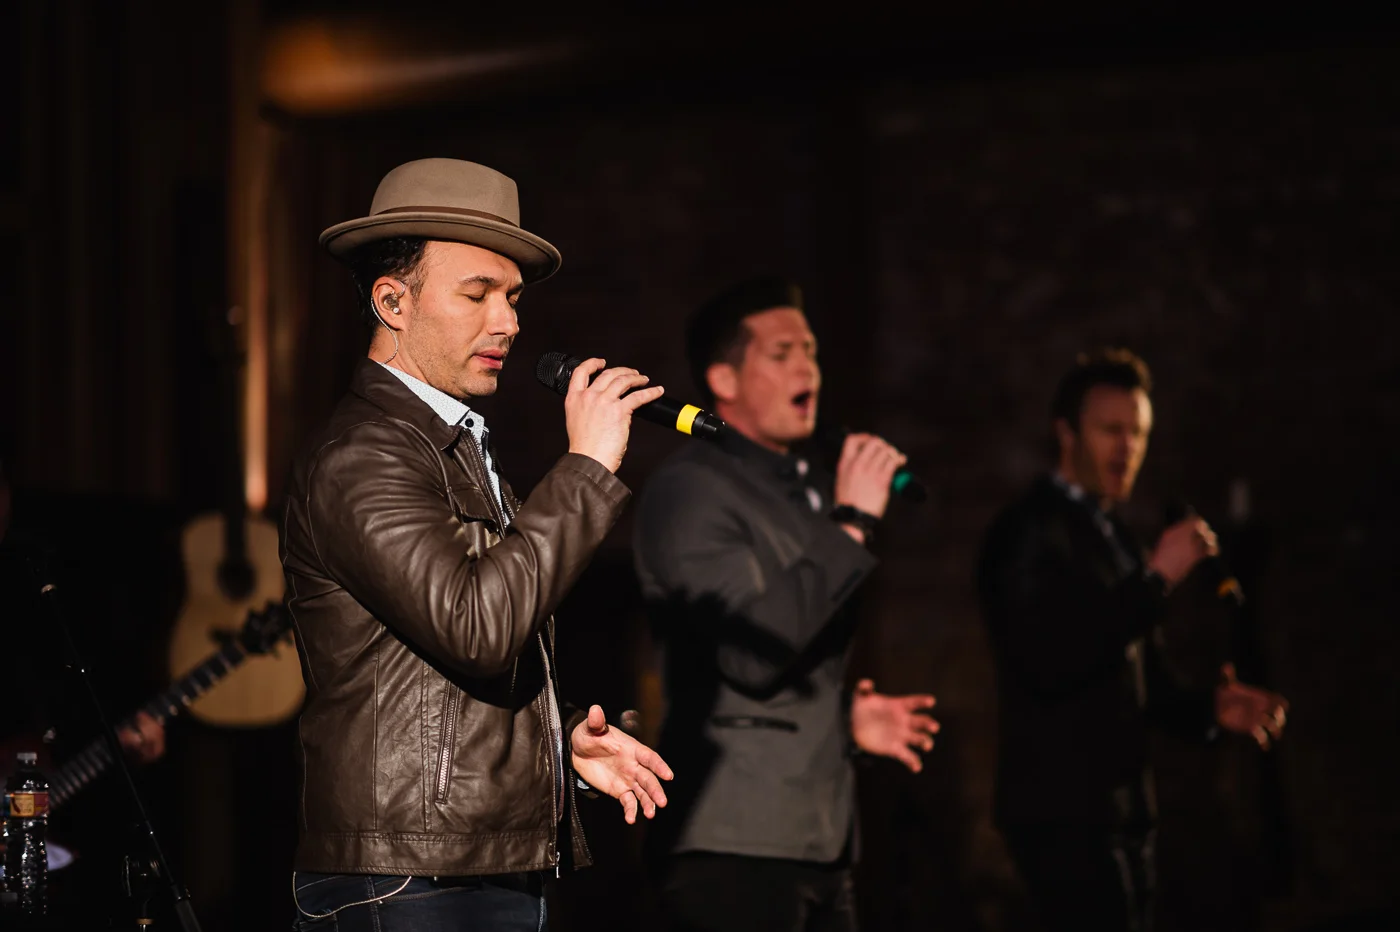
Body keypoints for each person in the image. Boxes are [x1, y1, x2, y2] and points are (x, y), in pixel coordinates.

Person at [280, 158, 674, 931]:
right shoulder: (362, 454)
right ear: (392, 300)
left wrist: (558, 758)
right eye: (478, 294)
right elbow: (477, 627)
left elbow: (438, 677)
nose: (509, 321)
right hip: (403, 879)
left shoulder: (451, 445)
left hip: (470, 864)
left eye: (514, 298)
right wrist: (587, 467)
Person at [633, 278, 939, 932]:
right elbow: (750, 653)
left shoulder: (801, 491)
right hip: (731, 841)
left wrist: (840, 718)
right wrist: (853, 518)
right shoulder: (689, 492)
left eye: (811, 351)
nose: (807, 368)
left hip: (819, 838)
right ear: (724, 378)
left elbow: (798, 640)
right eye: (781, 353)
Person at [977, 348, 1288, 932]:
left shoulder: (1112, 532)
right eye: (1111, 430)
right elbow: (1050, 659)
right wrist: (1156, 581)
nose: (1127, 448)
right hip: (1062, 812)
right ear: (1065, 433)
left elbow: (1141, 677)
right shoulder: (1027, 531)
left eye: (1139, 432)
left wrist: (1210, 711)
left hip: (1124, 808)